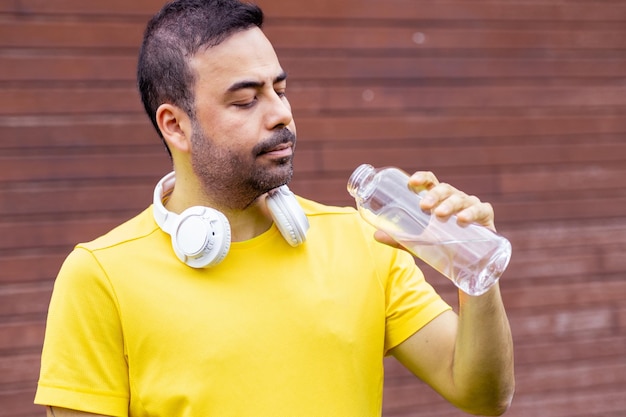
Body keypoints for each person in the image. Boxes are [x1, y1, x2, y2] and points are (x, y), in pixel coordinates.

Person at [34, 0, 515, 416]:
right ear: (175, 126)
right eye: (246, 100)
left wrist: (474, 268)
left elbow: (482, 393)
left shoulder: (367, 239)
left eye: (279, 91)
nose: (281, 113)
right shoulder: (99, 277)